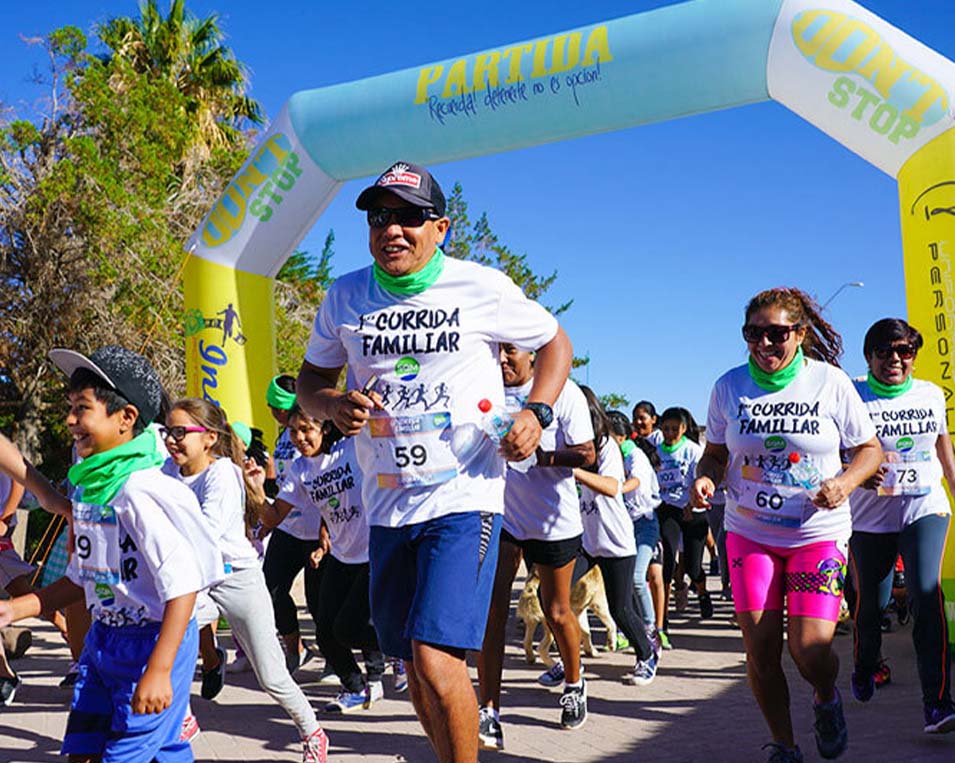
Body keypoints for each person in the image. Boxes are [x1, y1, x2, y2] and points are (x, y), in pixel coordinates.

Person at [296, 160, 572, 763]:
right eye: (379, 217)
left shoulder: (481, 287)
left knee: (436, 659)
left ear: (441, 228)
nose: (392, 229)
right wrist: (332, 403)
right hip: (386, 505)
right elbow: (309, 382)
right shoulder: (345, 296)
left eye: (410, 217)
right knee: (413, 668)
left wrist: (537, 412)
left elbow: (555, 342)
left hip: (463, 498)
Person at [0, 345, 225, 762]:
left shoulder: (141, 491)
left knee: (123, 754)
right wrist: (14, 609)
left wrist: (160, 669)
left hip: (152, 642)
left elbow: (184, 587)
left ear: (126, 418)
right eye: (70, 407)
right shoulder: (91, 488)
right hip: (103, 640)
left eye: (82, 408)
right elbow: (84, 577)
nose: (70, 420)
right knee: (88, 748)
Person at [691, 287, 882, 762]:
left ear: (799, 334)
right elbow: (714, 453)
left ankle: (826, 696)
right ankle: (785, 745)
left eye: (776, 334)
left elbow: (870, 450)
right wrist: (706, 478)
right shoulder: (728, 387)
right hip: (749, 532)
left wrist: (844, 483)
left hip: (816, 533)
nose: (764, 344)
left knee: (810, 649)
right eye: (752, 333)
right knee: (760, 650)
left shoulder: (829, 382)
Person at [162, 398, 328, 760]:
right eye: (167, 433)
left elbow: (204, 535)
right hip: (199, 581)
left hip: (237, 579)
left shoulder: (222, 474)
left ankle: (312, 731)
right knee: (164, 634)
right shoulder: (167, 471)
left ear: (208, 438)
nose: (171, 440)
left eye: (180, 432)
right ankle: (182, 716)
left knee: (271, 676)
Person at [477, 343, 595, 748]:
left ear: (531, 353)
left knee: (557, 611)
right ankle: (489, 710)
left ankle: (575, 684)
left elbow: (587, 454)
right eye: (497, 350)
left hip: (552, 521)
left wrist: (540, 457)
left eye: (510, 350)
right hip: (502, 516)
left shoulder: (563, 391)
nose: (502, 359)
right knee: (492, 613)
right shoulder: (484, 388)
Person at [846, 318, 955, 733]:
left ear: (913, 356)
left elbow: (944, 453)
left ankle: (938, 704)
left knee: (927, 595)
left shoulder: (930, 394)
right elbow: (834, 453)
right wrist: (856, 474)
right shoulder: (853, 396)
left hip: (924, 507)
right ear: (868, 356)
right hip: (871, 518)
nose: (894, 359)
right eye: (884, 351)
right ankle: (865, 664)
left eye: (904, 351)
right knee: (871, 605)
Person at [250, 407, 385, 714]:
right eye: (293, 431)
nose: (299, 438)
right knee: (325, 631)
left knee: (348, 627)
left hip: (373, 552)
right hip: (341, 555)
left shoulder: (350, 449)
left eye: (306, 430)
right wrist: (256, 489)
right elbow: (273, 516)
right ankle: (355, 687)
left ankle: (399, 649)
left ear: (324, 428)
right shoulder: (300, 469)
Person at [575, 387, 659, 686]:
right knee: (555, 600)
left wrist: (572, 470)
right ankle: (569, 663)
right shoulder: (572, 445)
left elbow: (612, 486)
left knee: (620, 609)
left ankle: (647, 654)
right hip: (586, 541)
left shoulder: (608, 445)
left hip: (615, 541)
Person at [607, 412, 662, 638]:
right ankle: (627, 629)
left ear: (620, 437)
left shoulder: (635, 456)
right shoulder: (611, 456)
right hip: (623, 526)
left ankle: (650, 628)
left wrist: (615, 488)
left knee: (638, 578)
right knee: (622, 580)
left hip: (645, 524)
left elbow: (636, 480)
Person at [655, 407, 710, 626]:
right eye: (666, 429)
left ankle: (702, 592)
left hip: (693, 510)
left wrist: (691, 502)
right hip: (667, 508)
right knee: (667, 559)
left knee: (693, 567)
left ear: (684, 428)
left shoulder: (693, 450)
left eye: (674, 429)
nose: (669, 433)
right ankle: (663, 616)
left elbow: (702, 478)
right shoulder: (656, 452)